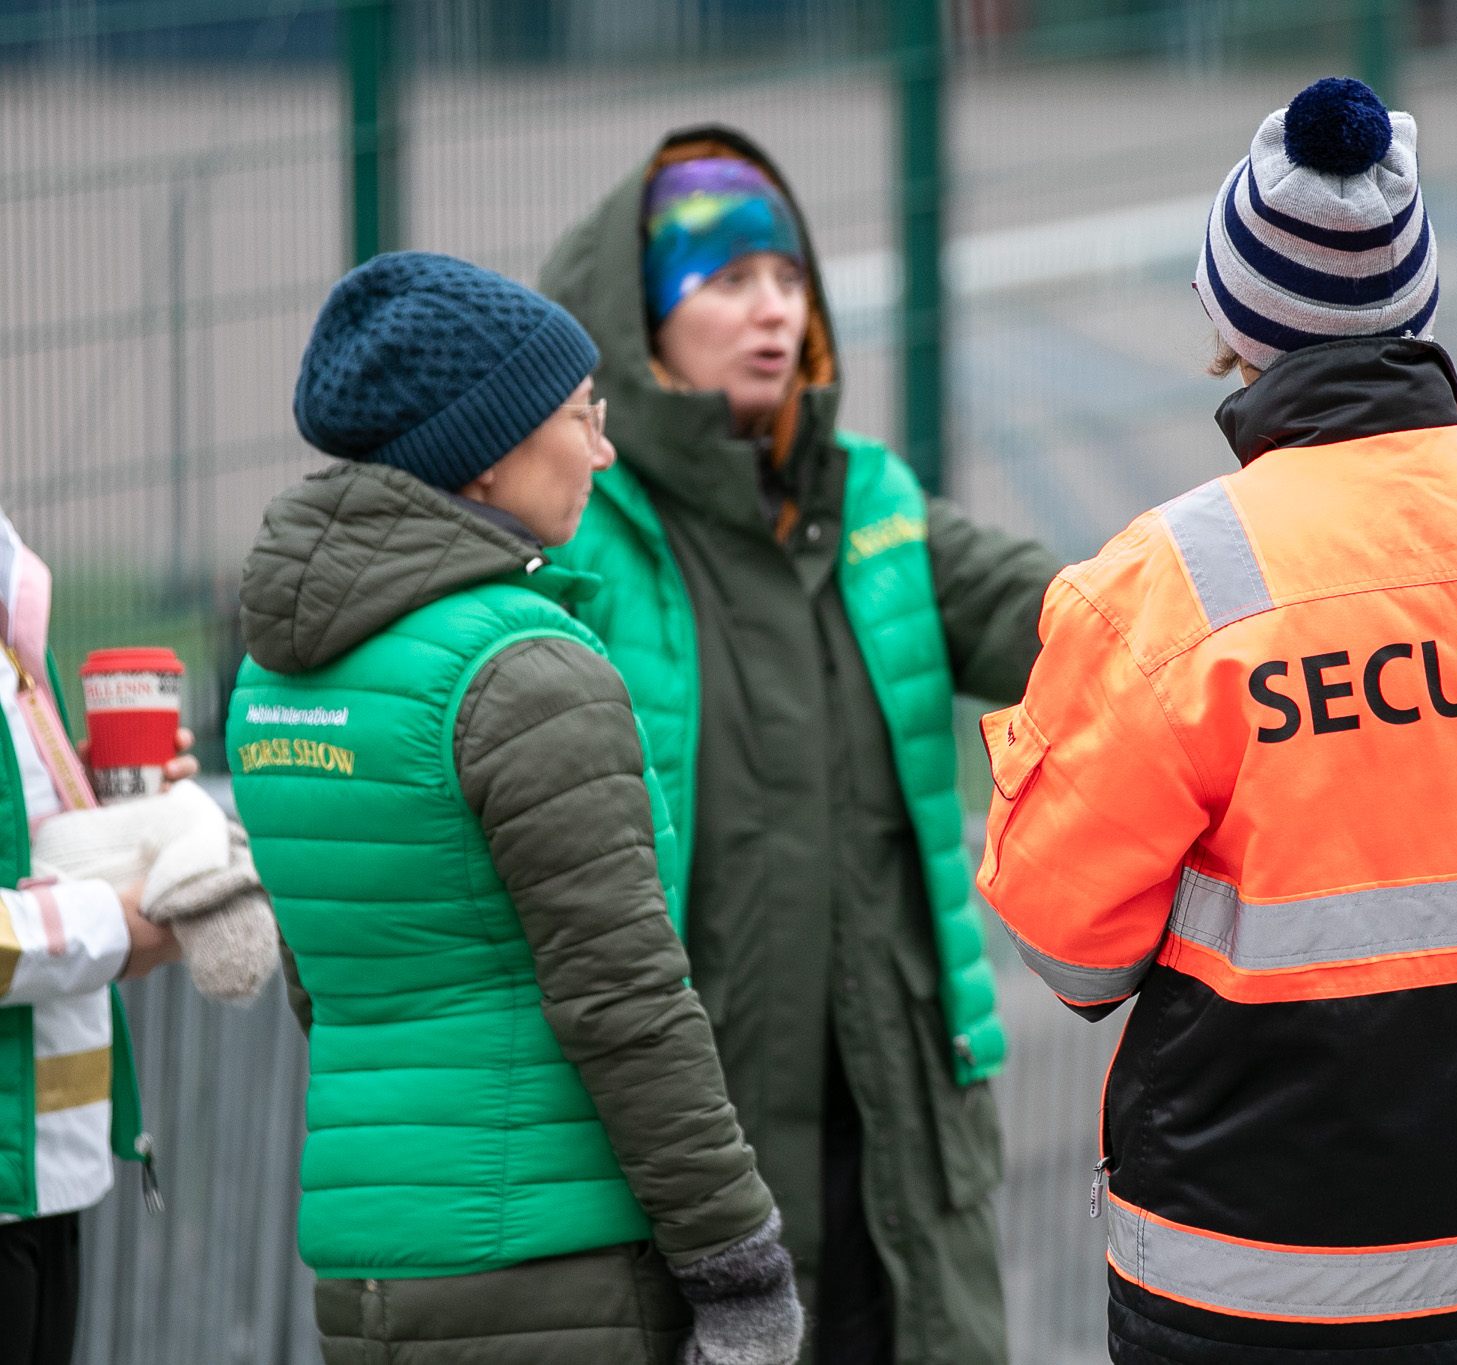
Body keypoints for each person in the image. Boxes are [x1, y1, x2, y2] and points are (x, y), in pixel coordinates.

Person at [976, 77, 1457, 1365]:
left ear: (1232, 321)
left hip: (1259, 1286)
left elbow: (1066, 945)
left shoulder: (1166, 586)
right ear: (1412, 304)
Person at [538, 129, 1060, 1363]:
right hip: (686, 1141)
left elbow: (1073, 623)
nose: (771, 310)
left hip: (896, 1134)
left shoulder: (872, 500)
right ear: (636, 323)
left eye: (787, 279)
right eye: (725, 283)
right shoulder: (579, 532)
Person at [229, 251, 801, 1365]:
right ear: (485, 454)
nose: (603, 448)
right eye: (580, 415)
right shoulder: (524, 670)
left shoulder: (279, 674)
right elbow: (625, 1001)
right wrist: (740, 1270)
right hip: (555, 1276)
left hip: (367, 1272)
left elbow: (330, 978)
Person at [0, 509, 183, 1365]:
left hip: (42, 1168)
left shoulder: (13, 587)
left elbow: (21, 843)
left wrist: (108, 822)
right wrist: (127, 919)